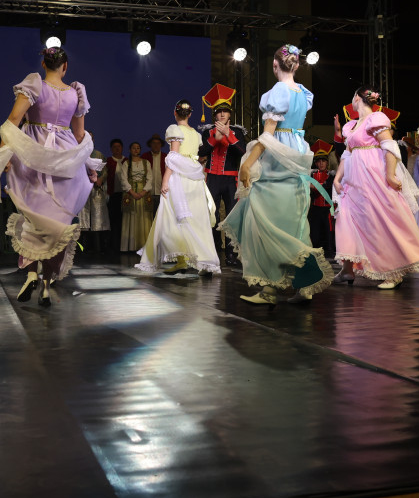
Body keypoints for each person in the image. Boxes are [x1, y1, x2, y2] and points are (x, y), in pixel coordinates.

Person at [0, 46, 101, 306]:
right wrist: (89, 163)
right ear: (65, 67)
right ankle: (46, 285)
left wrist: (4, 152)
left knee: (34, 218)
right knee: (57, 225)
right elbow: (80, 135)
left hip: (34, 154)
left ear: (44, 64)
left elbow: (14, 119)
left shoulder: (35, 84)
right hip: (65, 155)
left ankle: (32, 275)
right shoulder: (75, 92)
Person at [219, 45, 333, 306]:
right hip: (296, 155)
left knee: (264, 220)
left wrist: (248, 162)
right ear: (296, 65)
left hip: (277, 157)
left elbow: (269, 134)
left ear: (274, 65)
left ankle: (272, 287)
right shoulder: (303, 93)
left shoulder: (279, 91)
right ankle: (302, 286)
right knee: (293, 219)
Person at [332, 87, 419, 289]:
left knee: (379, 220)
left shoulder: (375, 118)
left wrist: (390, 175)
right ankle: (348, 269)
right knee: (347, 219)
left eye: (353, 96)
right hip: (353, 180)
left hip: (372, 176)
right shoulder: (351, 125)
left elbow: (390, 147)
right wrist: (338, 178)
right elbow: (347, 154)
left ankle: (393, 272)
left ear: (357, 98)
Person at [137, 99, 219, 275]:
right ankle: (203, 262)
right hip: (194, 180)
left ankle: (185, 260)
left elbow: (173, 157)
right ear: (190, 114)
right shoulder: (196, 134)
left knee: (174, 217)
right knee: (196, 219)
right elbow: (191, 157)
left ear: (175, 113)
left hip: (180, 178)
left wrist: (165, 180)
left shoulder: (174, 130)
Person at [199, 84, 246, 266]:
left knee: (232, 218)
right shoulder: (207, 132)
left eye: (225, 111)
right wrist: (214, 138)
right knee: (212, 217)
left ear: (230, 114)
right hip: (212, 178)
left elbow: (243, 152)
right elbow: (202, 151)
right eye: (219, 112)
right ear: (215, 114)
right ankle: (213, 252)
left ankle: (232, 255)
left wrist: (228, 135)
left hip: (231, 179)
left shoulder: (238, 132)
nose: (222, 115)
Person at [118, 141, 153, 251]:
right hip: (131, 193)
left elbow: (150, 178)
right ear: (130, 150)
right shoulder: (126, 163)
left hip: (143, 193)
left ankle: (144, 245)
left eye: (138, 148)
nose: (136, 150)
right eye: (134, 148)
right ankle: (131, 246)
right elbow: (123, 179)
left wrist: (143, 192)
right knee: (131, 217)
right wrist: (132, 192)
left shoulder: (146, 162)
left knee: (144, 218)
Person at [78, 148, 111, 253]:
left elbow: (105, 170)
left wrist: (101, 179)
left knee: (97, 218)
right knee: (83, 218)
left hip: (96, 189)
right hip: (82, 188)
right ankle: (82, 248)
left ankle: (99, 247)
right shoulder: (77, 152)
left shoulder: (98, 154)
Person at [308, 140, 335, 258]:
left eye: (323, 161)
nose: (321, 163)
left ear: (327, 162)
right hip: (314, 209)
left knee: (329, 232)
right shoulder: (311, 175)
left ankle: (330, 252)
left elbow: (326, 186)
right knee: (314, 233)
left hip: (327, 209)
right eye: (318, 161)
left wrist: (313, 186)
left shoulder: (332, 175)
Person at [105, 138, 125, 253]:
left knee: (123, 221)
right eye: (114, 147)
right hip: (112, 195)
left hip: (125, 196)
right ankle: (113, 246)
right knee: (113, 221)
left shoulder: (127, 161)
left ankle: (123, 245)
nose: (117, 149)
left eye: (119, 146)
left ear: (122, 148)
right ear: (111, 149)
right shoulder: (108, 161)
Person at [142, 134, 166, 212]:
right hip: (147, 192)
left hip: (162, 192)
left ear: (161, 145)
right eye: (154, 143)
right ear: (150, 145)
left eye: (158, 143)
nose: (156, 145)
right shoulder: (144, 157)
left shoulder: (166, 157)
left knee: (161, 215)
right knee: (148, 215)